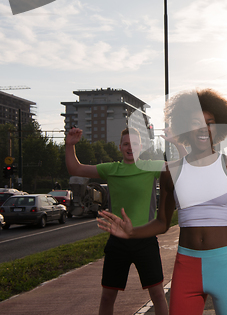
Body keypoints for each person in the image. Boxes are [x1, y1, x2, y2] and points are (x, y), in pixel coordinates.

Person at [97, 89, 227, 315]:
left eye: (209, 122)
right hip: (186, 266)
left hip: (226, 266)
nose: (203, 128)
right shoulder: (171, 171)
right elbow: (162, 222)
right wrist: (132, 233)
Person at [65, 127, 169, 315]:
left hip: (145, 240)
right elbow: (76, 168)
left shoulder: (152, 167)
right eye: (127, 144)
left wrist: (177, 143)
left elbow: (182, 168)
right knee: (107, 297)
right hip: (118, 241)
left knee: (157, 294)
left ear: (142, 146)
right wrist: (70, 145)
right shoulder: (111, 169)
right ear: (120, 147)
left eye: (135, 144)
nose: (131, 147)